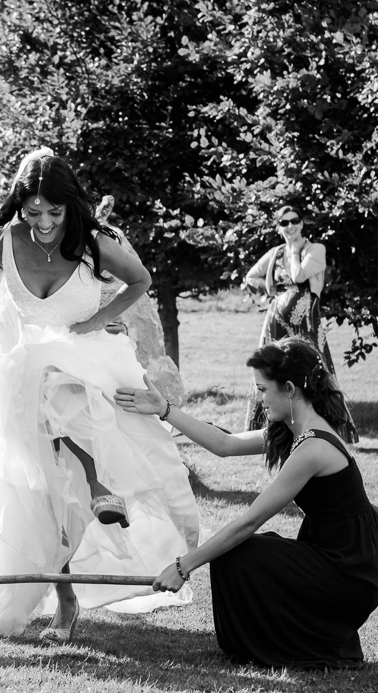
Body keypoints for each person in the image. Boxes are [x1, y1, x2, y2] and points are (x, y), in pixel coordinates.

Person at [0, 151, 200, 641]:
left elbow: (141, 279)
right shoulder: (3, 240)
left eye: (54, 212)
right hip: (33, 366)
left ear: (70, 206)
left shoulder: (96, 241)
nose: (45, 223)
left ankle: (98, 489)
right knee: (45, 494)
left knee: (58, 389)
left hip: (92, 360)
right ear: (19, 206)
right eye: (33, 212)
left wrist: (95, 321)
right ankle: (66, 599)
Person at [114, 337, 378, 669]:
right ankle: (282, 641)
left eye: (263, 389)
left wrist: (183, 565)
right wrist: (163, 409)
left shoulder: (313, 446)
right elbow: (224, 444)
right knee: (243, 552)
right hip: (334, 553)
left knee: (239, 550)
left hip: (348, 571)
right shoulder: (297, 430)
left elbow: (250, 521)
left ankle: (291, 646)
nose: (258, 398)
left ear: (291, 388)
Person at [243, 204, 357, 441]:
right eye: (283, 222)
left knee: (313, 366)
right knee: (270, 367)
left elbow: (298, 277)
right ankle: (271, 427)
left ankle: (328, 424)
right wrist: (269, 296)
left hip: (305, 321)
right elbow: (251, 276)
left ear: (302, 223)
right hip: (275, 320)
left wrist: (294, 252)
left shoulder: (315, 249)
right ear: (278, 226)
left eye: (294, 220)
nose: (290, 226)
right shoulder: (275, 253)